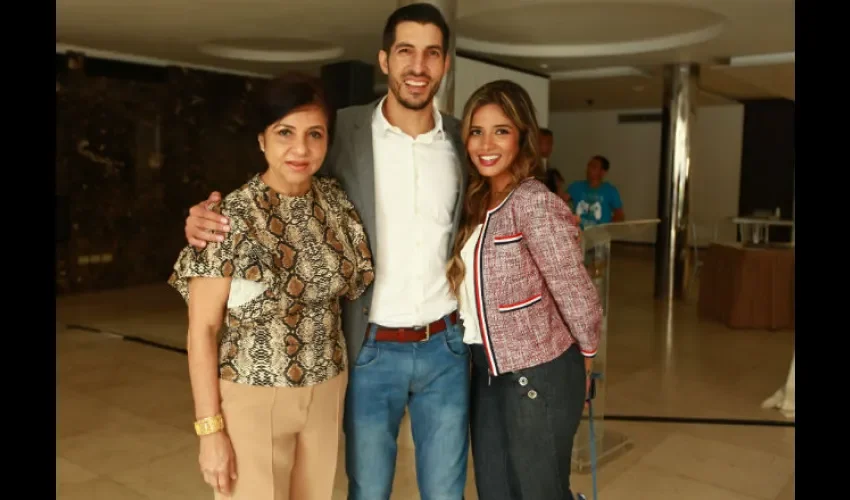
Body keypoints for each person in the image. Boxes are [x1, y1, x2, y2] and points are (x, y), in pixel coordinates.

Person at [181, 4, 471, 499]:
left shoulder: (462, 143)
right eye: (405, 51)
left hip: (438, 347)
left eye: (431, 54)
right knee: (368, 489)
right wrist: (199, 218)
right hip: (369, 350)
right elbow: (204, 322)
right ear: (384, 60)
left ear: (445, 64)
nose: (417, 67)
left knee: (445, 491)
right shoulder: (346, 134)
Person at [167, 72, 374, 500]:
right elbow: (201, 331)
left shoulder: (336, 204)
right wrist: (210, 431)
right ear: (262, 139)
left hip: (327, 388)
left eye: (314, 134)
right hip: (253, 395)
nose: (300, 149)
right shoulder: (227, 219)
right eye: (285, 132)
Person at [446, 80, 602, 500]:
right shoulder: (478, 203)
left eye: (501, 130)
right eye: (477, 131)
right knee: (495, 490)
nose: (486, 143)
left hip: (539, 374)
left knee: (539, 491)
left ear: (522, 136)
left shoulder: (533, 201)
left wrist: (587, 357)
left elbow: (575, 290)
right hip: (488, 374)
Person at [564, 155, 625, 228]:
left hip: (601, 236)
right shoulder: (576, 186)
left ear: (603, 172)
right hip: (579, 234)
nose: (589, 169)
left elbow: (620, 215)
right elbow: (559, 202)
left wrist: (609, 228)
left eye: (594, 167)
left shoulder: (610, 191)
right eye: (589, 166)